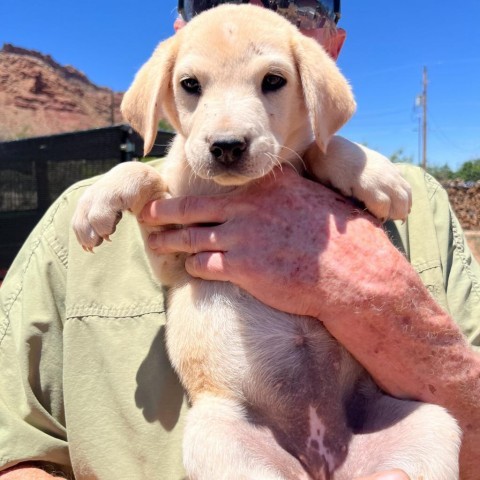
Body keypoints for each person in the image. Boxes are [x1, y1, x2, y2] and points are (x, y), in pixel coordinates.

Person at [0, 1, 479, 479]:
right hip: (248, 438)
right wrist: (134, 180)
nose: (227, 132)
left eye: (271, 82)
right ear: (163, 91)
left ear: (326, 57)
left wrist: (341, 163)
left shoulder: (404, 195)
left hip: (375, 431)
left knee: (434, 428)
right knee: (210, 435)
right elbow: (170, 260)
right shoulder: (119, 201)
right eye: (193, 86)